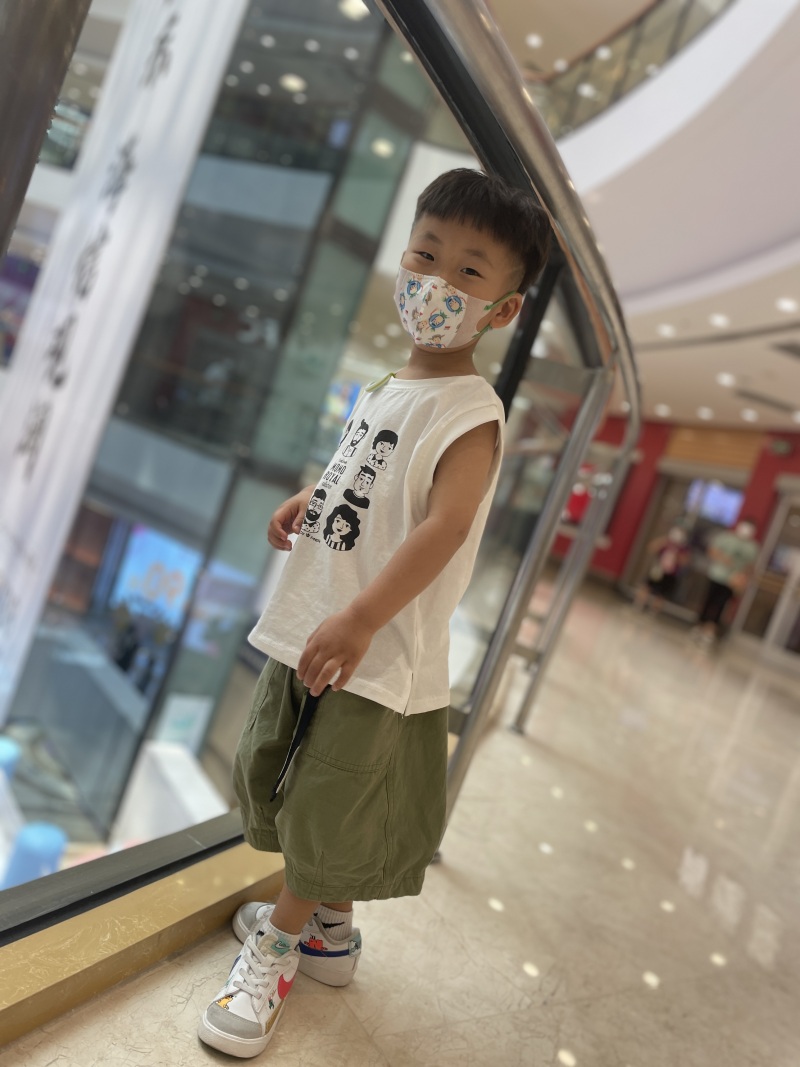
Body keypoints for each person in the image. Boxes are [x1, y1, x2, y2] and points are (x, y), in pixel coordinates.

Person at [198, 168, 551, 1059]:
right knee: (290, 766)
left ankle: (278, 946)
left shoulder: (471, 411)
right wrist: (312, 495)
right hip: (318, 619)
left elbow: (446, 522)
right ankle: (331, 931)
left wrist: (361, 617)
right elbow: (372, 477)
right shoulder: (390, 384)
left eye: (468, 272)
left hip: (374, 644)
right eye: (426, 255)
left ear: (504, 309)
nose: (436, 282)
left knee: (328, 796)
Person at [694, 517, 760, 643]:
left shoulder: (752, 547)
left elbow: (750, 566)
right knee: (708, 601)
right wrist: (723, 559)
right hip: (716, 575)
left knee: (721, 605)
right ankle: (700, 624)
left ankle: (710, 629)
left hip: (732, 581)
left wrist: (745, 579)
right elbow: (711, 551)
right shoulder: (725, 537)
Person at [634, 525, 690, 615]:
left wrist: (677, 553)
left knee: (661, 594)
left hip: (671, 574)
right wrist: (664, 541)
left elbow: (685, 562)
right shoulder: (665, 544)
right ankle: (638, 605)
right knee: (646, 587)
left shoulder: (683, 549)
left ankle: (653, 611)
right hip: (658, 570)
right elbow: (651, 547)